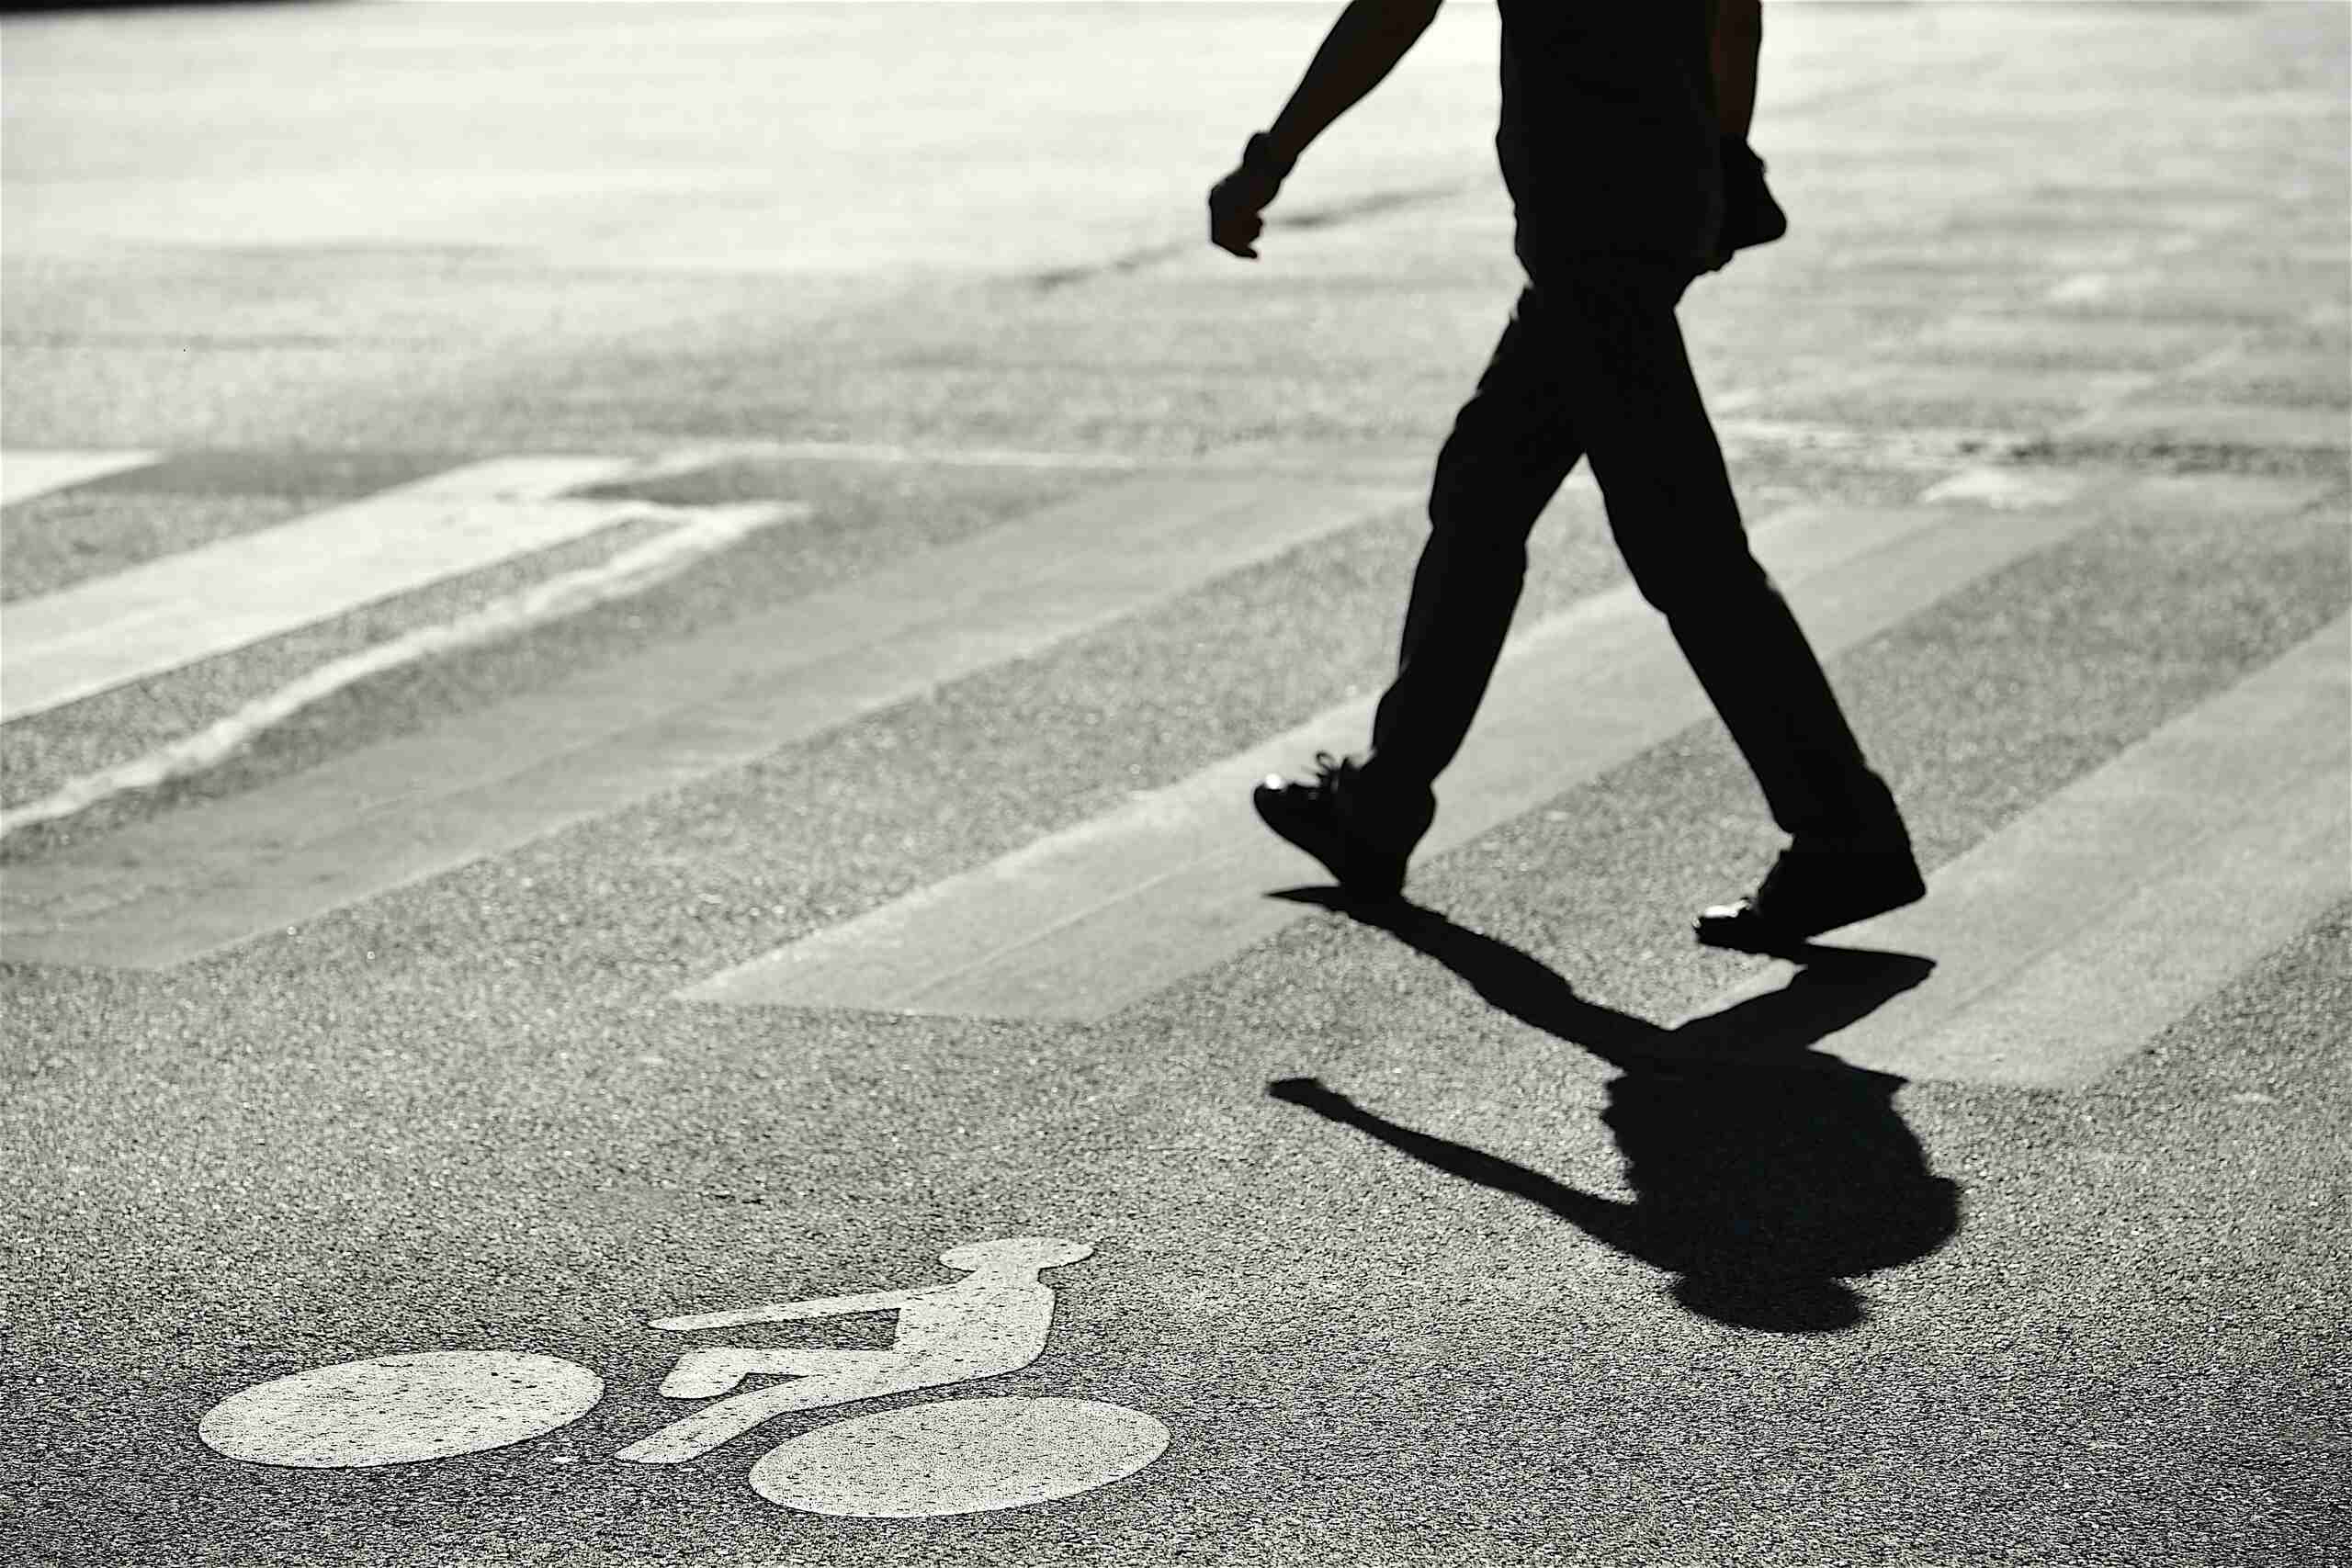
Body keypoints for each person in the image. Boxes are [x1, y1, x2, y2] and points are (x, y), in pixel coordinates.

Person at [1210, 0, 1924, 951]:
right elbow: (1733, 17)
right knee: (1482, 492)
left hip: (1591, 227)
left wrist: (1272, 157)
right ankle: (1380, 803)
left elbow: (1394, 9)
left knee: (1687, 554)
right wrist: (1720, 159)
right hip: (1644, 208)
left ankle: (1844, 830)